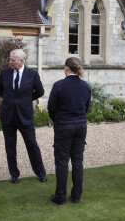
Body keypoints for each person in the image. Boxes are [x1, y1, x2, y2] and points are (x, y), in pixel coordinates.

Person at [0, 49, 47, 183]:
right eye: (10, 60)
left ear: (22, 61)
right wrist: (10, 100)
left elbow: (40, 91)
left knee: (32, 144)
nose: (10, 62)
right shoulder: (5, 73)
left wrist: (26, 100)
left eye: (13, 60)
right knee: (10, 146)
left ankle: (40, 172)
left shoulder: (32, 74)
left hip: (25, 115)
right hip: (8, 115)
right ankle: (14, 175)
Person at [48, 58, 91, 205]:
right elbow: (87, 107)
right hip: (80, 126)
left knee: (62, 162)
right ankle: (76, 195)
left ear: (66, 68)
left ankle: (60, 196)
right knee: (77, 161)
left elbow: (51, 108)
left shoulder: (59, 85)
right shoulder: (85, 86)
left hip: (63, 127)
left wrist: (58, 120)